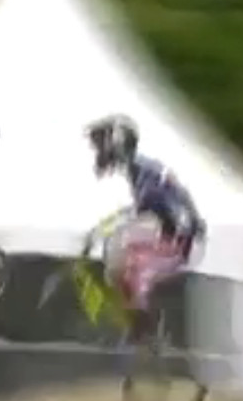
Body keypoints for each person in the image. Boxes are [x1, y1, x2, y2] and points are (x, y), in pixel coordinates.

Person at [86, 114, 207, 335]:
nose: (98, 152)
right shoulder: (141, 170)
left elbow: (159, 213)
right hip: (178, 236)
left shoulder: (146, 174)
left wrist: (102, 233)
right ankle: (137, 316)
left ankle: (142, 323)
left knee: (130, 260)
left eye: (102, 144)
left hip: (183, 242)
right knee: (121, 252)